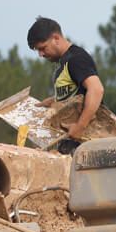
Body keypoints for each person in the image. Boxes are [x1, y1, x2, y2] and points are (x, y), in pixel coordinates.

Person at [26, 16, 105, 154]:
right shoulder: (64, 63)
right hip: (70, 144)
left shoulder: (76, 59)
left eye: (43, 48)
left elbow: (96, 90)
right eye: (37, 50)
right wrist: (53, 101)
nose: (41, 54)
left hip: (85, 145)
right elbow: (76, 95)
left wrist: (80, 126)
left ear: (56, 38)